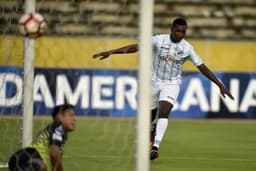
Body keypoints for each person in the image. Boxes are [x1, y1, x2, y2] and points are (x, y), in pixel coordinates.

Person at [92, 18, 234, 160]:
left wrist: (220, 85)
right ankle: (151, 131)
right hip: (152, 82)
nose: (180, 34)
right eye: (177, 30)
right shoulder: (159, 40)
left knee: (164, 111)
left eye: (183, 32)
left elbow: (203, 68)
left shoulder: (188, 49)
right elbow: (136, 47)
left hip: (171, 84)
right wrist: (111, 52)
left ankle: (155, 147)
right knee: (149, 118)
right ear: (172, 29)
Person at [8, 104, 76, 171]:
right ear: (59, 116)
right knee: (41, 166)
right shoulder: (58, 125)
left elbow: (55, 161)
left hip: (23, 158)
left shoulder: (58, 134)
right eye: (71, 115)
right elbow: (54, 152)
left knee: (43, 167)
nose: (74, 119)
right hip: (31, 157)